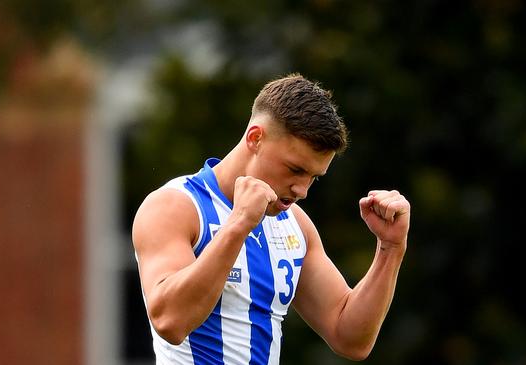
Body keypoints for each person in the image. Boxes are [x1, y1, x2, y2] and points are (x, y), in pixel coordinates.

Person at [132, 73, 410, 365]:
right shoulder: (175, 205)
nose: (302, 190)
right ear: (255, 138)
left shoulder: (295, 224)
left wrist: (391, 248)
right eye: (295, 169)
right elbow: (170, 322)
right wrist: (239, 224)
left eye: (313, 177)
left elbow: (350, 337)